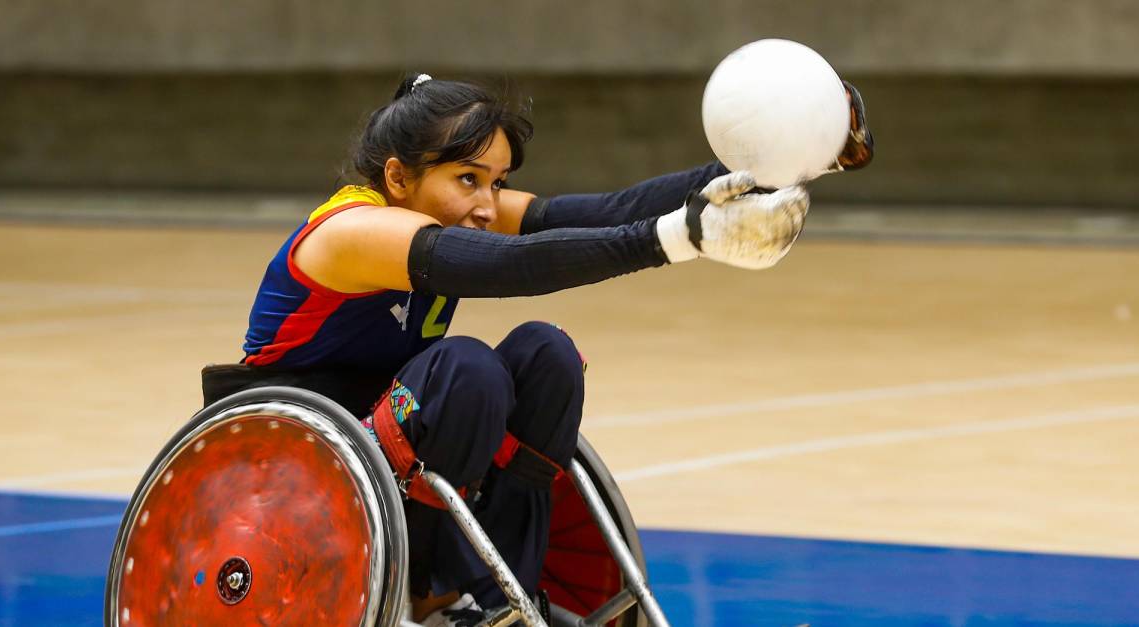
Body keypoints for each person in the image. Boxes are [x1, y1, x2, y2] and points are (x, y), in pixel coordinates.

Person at [203, 72, 872, 625]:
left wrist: (780, 162)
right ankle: (430, 593)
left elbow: (602, 212)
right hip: (296, 460)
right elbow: (509, 266)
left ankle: (504, 598)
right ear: (398, 177)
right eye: (470, 179)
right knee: (466, 366)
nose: (490, 203)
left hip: (400, 430)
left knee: (546, 353)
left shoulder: (446, 206)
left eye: (496, 182)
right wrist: (680, 237)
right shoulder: (351, 230)